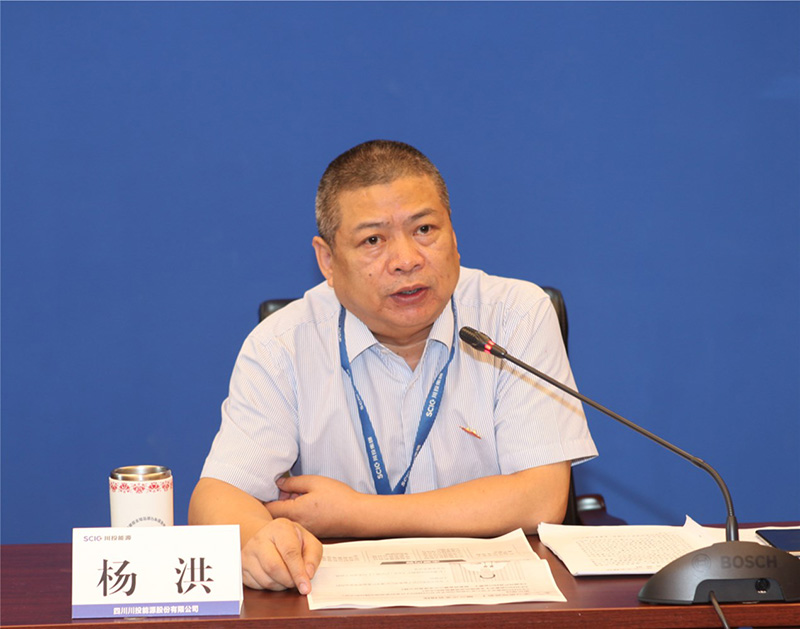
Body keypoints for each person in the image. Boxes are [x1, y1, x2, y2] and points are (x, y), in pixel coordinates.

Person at [189, 140, 597, 595]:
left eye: (424, 229)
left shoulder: (515, 315)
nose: (407, 260)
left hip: (496, 605)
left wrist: (355, 513)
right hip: (338, 608)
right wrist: (262, 543)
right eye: (373, 240)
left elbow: (540, 499)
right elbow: (218, 495)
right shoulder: (283, 343)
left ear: (454, 236)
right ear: (327, 260)